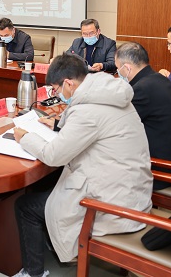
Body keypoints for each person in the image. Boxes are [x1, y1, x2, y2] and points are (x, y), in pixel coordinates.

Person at [11, 53, 152, 277]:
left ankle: (33, 272)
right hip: (133, 192)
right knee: (52, 185)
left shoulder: (87, 110)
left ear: (69, 83)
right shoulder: (108, 93)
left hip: (111, 205)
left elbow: (53, 156)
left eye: (56, 89)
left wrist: (25, 137)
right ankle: (54, 244)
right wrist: (58, 125)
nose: (57, 95)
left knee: (26, 206)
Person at [115, 42, 171, 190]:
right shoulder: (159, 79)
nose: (118, 73)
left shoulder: (142, 89)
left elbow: (119, 124)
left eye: (118, 69)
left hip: (162, 168)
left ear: (127, 68)